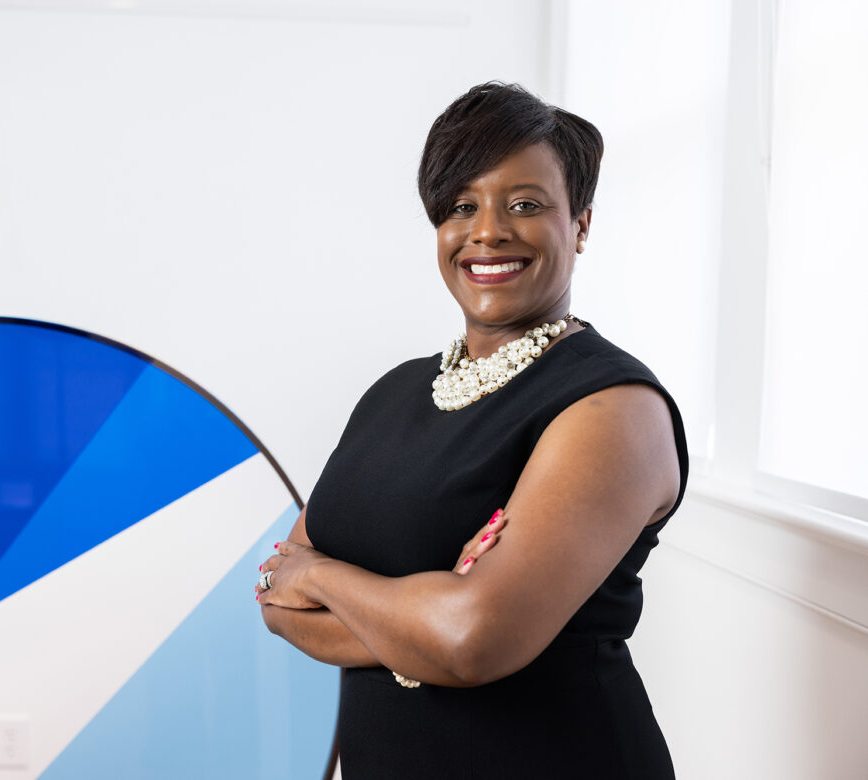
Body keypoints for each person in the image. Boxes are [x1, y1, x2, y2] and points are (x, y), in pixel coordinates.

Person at [255, 82, 688, 779]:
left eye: (525, 204)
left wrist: (326, 575)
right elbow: (279, 599)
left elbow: (470, 639)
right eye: (461, 206)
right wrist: (422, 621)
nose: (487, 230)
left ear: (579, 223)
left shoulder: (613, 408)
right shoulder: (393, 392)